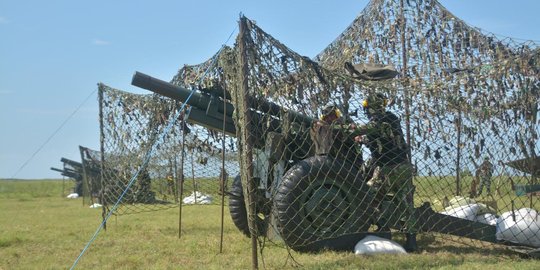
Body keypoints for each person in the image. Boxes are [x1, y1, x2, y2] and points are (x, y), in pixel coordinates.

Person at [348, 93, 417, 252]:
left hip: (386, 168)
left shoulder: (378, 122)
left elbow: (369, 131)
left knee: (367, 197)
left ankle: (384, 229)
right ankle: (411, 241)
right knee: (406, 205)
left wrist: (356, 135)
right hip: (403, 166)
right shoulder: (392, 118)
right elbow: (378, 135)